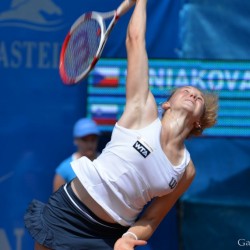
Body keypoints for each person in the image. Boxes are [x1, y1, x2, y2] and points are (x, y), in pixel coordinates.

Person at [24, 0, 218, 249]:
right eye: (186, 91)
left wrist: (129, 237)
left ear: (199, 121)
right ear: (166, 105)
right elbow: (135, 40)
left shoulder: (186, 171)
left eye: (198, 97)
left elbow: (151, 217)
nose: (192, 94)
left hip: (109, 234)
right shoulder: (143, 112)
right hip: (69, 212)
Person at [53, 118, 100, 192]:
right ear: (75, 140)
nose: (89, 144)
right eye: (84, 139)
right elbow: (57, 202)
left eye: (93, 139)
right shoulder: (64, 170)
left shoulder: (106, 163)